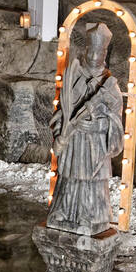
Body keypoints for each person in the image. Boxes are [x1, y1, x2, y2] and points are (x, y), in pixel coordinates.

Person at [47, 21, 124, 236]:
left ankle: (90, 216)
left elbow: (116, 120)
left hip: (94, 144)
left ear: (104, 54)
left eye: (99, 52)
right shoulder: (75, 77)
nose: (94, 56)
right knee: (69, 176)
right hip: (74, 139)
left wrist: (97, 125)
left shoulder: (110, 86)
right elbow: (64, 107)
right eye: (91, 51)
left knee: (91, 180)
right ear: (87, 50)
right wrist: (61, 129)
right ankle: (63, 211)